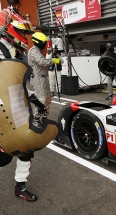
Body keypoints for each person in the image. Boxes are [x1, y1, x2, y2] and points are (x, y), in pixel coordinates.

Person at [0, 7, 56, 202]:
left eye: (26, 33)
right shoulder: (1, 48)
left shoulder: (15, 50)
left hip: (17, 104)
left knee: (25, 148)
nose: (25, 36)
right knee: (3, 157)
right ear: (10, 29)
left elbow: (18, 82)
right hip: (1, 107)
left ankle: (20, 187)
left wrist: (33, 99)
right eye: (23, 32)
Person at [28, 32, 61, 121]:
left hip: (42, 77)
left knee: (47, 99)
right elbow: (41, 62)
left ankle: (44, 118)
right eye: (44, 43)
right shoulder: (34, 51)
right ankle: (36, 118)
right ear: (39, 42)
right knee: (42, 100)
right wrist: (53, 60)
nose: (45, 44)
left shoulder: (38, 51)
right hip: (37, 78)